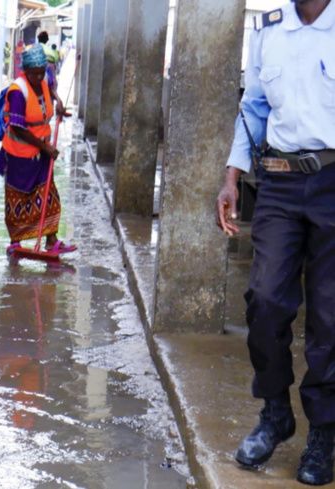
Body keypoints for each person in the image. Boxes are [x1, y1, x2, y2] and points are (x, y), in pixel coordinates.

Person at [216, 1, 335, 485]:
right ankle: (275, 412)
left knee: (329, 313)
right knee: (264, 301)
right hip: (280, 183)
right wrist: (231, 177)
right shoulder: (268, 30)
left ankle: (324, 432)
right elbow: (254, 108)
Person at [0, 45, 73, 256]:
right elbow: (18, 128)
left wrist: (57, 102)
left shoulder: (44, 80)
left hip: (41, 154)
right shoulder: (18, 92)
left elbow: (50, 90)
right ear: (25, 71)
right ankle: (15, 242)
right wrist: (45, 147)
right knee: (19, 198)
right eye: (35, 73)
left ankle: (51, 240)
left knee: (49, 193)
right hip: (19, 155)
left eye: (42, 72)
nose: (39, 76)